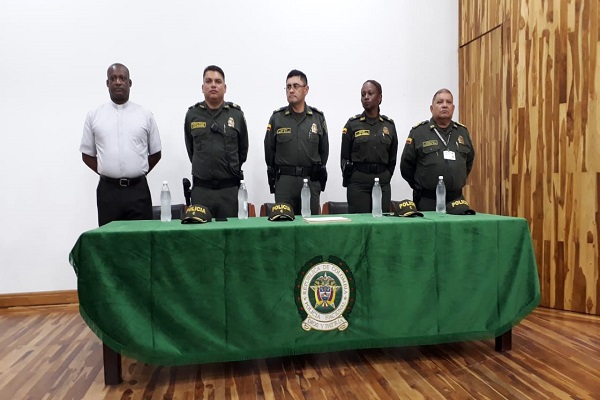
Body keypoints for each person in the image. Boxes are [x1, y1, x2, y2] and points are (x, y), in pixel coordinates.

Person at [80, 63, 162, 226]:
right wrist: (107, 170)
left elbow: (156, 153)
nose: (118, 82)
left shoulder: (145, 115)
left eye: (122, 78)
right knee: (109, 239)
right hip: (108, 192)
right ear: (107, 83)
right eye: (113, 78)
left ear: (129, 83)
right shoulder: (94, 115)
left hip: (138, 191)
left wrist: (137, 170)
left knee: (141, 237)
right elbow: (87, 155)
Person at [184, 65, 249, 219]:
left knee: (231, 232)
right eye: (209, 81)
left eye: (218, 81)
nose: (213, 85)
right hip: (201, 191)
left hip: (229, 191)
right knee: (200, 232)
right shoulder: (192, 114)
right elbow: (191, 150)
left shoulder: (236, 115)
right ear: (202, 87)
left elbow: (243, 151)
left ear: (225, 88)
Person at [264, 69, 329, 215]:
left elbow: (324, 151)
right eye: (288, 87)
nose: (291, 90)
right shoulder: (277, 118)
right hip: (285, 183)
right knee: (283, 223)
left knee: (310, 224)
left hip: (310, 181)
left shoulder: (317, 118)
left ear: (306, 90)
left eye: (295, 86)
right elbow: (269, 151)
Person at [400, 88, 475, 211]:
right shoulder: (419, 132)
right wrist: (420, 185)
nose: (444, 105)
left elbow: (469, 161)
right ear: (431, 108)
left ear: (453, 108)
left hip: (456, 200)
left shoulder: (462, 132)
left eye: (448, 102)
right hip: (427, 200)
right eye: (440, 102)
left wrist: (456, 178)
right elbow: (406, 166)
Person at [341, 80, 398, 213]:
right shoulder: (352, 124)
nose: (366, 97)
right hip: (358, 182)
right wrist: (353, 177)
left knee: (381, 221)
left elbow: (392, 157)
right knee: (360, 222)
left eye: (370, 93)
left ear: (379, 98)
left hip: (382, 181)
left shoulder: (389, 125)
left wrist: (386, 175)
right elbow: (344, 157)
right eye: (363, 94)